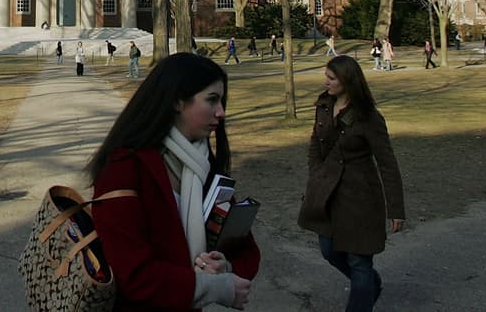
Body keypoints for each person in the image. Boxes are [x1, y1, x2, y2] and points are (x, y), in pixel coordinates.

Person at [88, 53, 257, 311]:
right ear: (177, 100)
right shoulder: (124, 168)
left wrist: (224, 265)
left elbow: (246, 248)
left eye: (221, 101)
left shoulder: (201, 163)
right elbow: (133, 276)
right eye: (211, 100)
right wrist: (212, 287)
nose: (221, 112)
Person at [298, 55, 405, 312]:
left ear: (347, 81)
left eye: (331, 78)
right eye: (326, 76)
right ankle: (369, 283)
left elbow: (387, 163)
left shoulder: (369, 117)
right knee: (328, 250)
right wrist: (316, 175)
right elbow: (315, 145)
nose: (326, 81)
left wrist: (396, 209)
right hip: (328, 195)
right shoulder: (323, 105)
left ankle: (362, 289)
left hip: (360, 199)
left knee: (359, 262)